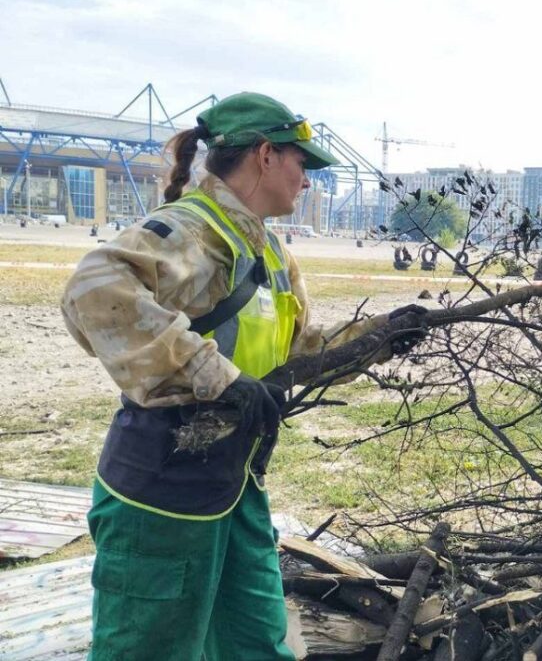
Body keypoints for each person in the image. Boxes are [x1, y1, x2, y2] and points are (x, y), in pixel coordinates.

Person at [61, 92, 426, 660]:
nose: (307, 181)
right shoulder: (189, 230)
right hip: (162, 494)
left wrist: (377, 338)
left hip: (237, 489)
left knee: (256, 642)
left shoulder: (270, 250)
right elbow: (92, 290)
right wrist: (214, 375)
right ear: (264, 155)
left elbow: (301, 350)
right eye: (301, 164)